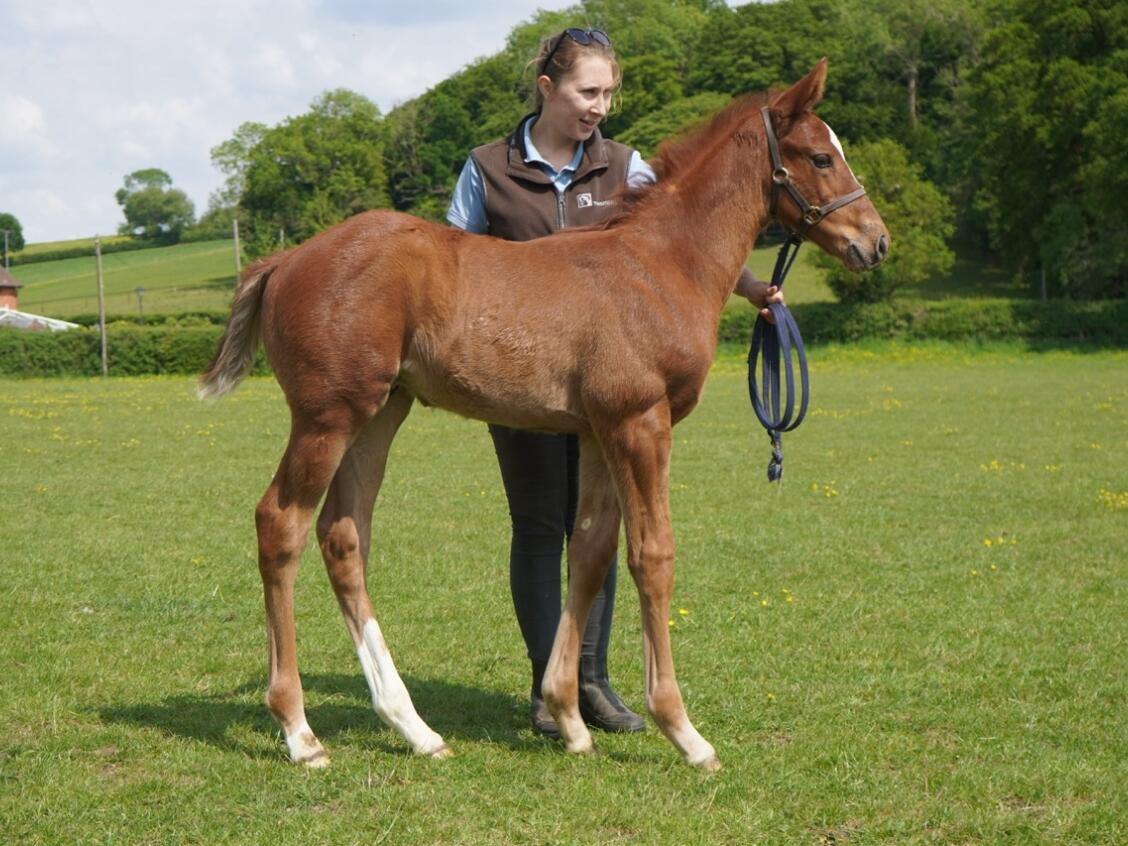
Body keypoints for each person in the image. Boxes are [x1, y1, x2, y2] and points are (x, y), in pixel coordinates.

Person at [447, 27, 782, 737]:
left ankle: (590, 683)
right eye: (588, 92)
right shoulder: (487, 169)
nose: (601, 106)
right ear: (549, 89)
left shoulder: (627, 167)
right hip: (523, 369)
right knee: (540, 525)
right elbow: (454, 265)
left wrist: (750, 287)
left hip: (614, 369)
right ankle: (548, 688)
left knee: (594, 523)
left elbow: (682, 246)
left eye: (609, 93)